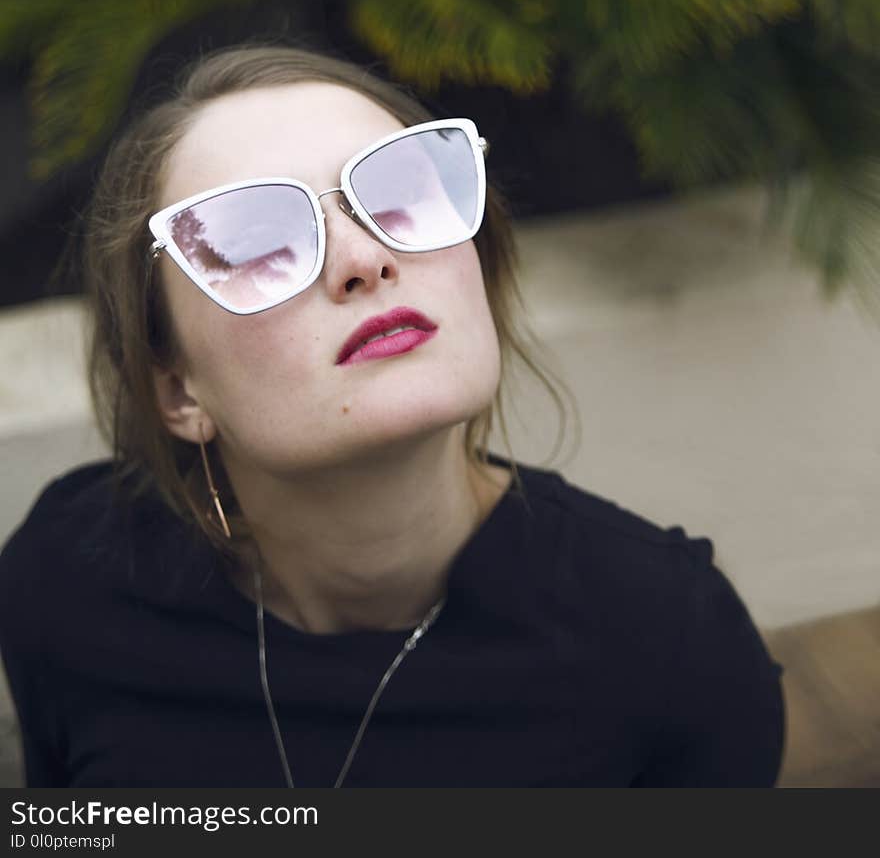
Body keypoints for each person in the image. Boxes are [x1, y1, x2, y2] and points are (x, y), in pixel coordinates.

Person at [0, 42, 786, 787]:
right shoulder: (71, 580)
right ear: (177, 390)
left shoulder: (674, 646)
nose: (364, 258)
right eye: (254, 242)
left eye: (405, 191)